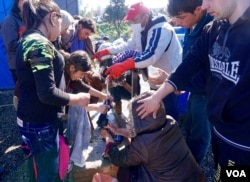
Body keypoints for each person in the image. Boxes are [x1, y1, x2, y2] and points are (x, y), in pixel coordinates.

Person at [137, 0, 250, 181]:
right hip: (219, 131)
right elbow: (188, 66)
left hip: (242, 143)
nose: (204, 6)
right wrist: (156, 97)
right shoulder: (212, 30)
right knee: (221, 173)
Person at [15, 0, 90, 181]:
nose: (61, 30)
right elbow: (47, 93)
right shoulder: (39, 45)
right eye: (60, 22)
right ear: (52, 17)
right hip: (40, 125)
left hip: (32, 120)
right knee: (48, 175)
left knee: (40, 168)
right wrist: (77, 98)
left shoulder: (31, 40)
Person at [94, 2, 182, 120]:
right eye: (130, 21)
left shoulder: (160, 29)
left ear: (145, 16)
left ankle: (171, 135)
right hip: (156, 75)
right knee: (158, 110)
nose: (132, 24)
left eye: (134, 20)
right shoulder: (141, 30)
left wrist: (124, 65)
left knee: (168, 111)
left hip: (171, 74)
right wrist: (107, 51)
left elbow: (151, 55)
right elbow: (129, 45)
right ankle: (158, 133)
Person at [100, 91, 206, 182]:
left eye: (132, 116)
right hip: (194, 177)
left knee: (124, 173)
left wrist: (108, 138)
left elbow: (118, 158)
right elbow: (146, 133)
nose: (129, 120)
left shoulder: (142, 146)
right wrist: (118, 131)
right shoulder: (170, 122)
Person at [166, 0, 213, 164]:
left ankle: (191, 169)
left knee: (200, 135)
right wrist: (179, 81)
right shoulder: (191, 25)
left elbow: (208, 74)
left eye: (181, 17)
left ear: (199, 10)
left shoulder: (211, 28)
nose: (177, 22)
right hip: (194, 90)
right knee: (188, 127)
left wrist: (178, 82)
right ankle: (185, 160)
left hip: (206, 93)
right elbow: (189, 61)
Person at [61, 50, 112, 168]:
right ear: (72, 68)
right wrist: (95, 107)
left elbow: (82, 86)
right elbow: (66, 106)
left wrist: (103, 95)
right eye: (82, 74)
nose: (83, 77)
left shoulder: (70, 72)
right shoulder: (61, 76)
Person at [1, 0, 25, 83]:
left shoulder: (25, 18)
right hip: (17, 66)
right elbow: (11, 46)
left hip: (27, 64)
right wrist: (28, 40)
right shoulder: (9, 21)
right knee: (23, 94)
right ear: (20, 2)